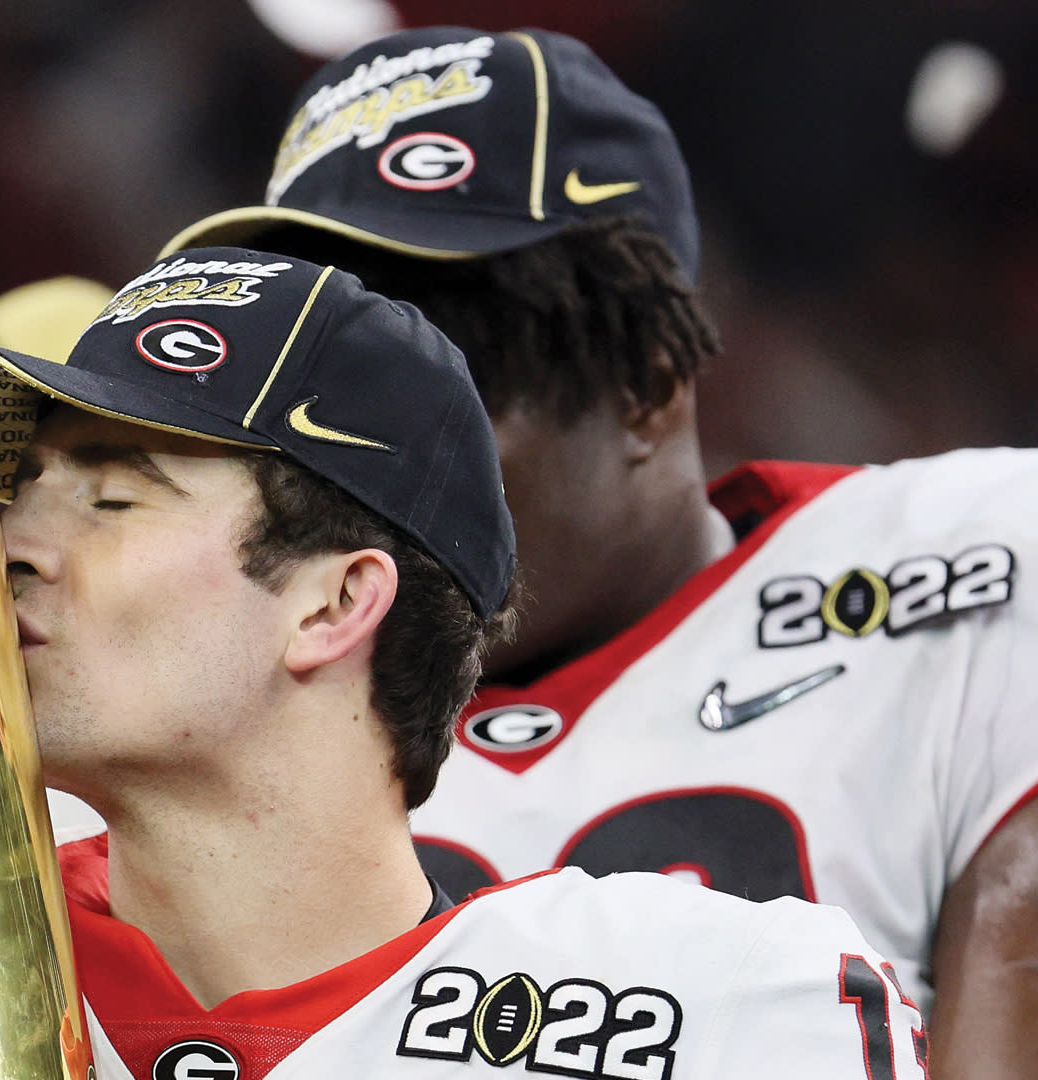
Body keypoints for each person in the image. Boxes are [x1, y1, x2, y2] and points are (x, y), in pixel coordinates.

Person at [0, 247, 929, 1080]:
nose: (8, 548)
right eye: (11, 494)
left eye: (112, 494)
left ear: (333, 607)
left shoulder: (704, 1012)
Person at [156, 27, 1038, 1078]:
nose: (361, 477)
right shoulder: (191, 690)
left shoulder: (973, 557)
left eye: (438, 405)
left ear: (649, 386)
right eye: (320, 408)